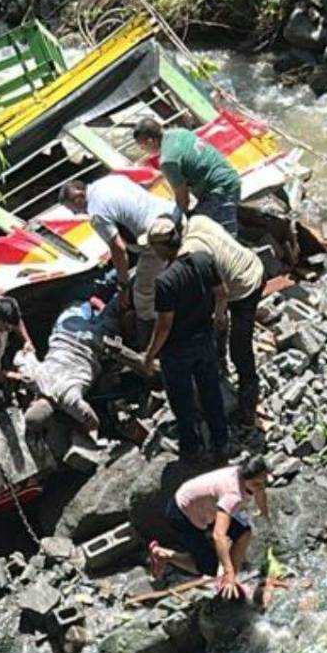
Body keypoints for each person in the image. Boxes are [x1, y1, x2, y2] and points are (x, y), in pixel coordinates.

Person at [144, 214, 265, 429]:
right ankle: (219, 363)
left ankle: (248, 409)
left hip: (245, 287)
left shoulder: (194, 256)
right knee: (217, 323)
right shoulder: (197, 220)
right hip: (249, 264)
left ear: (161, 248)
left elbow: (220, 293)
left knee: (240, 349)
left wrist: (219, 314)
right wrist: (219, 314)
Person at [59, 175, 180, 345]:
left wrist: (123, 288)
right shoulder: (110, 180)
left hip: (158, 238)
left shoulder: (96, 213)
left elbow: (118, 249)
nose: (75, 213)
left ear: (79, 198)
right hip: (173, 214)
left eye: (73, 209)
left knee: (142, 296)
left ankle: (152, 341)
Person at [142, 244, 229, 460]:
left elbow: (164, 325)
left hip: (177, 350)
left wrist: (150, 355)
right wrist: (219, 316)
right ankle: (221, 442)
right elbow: (222, 293)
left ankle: (191, 447)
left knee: (182, 401)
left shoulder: (165, 281)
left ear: (160, 249)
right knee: (211, 392)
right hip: (205, 339)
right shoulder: (203, 259)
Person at [150, 455, 269, 599]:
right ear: (244, 479)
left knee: (244, 533)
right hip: (182, 513)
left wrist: (264, 514)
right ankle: (164, 555)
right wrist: (228, 571)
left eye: (263, 482)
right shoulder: (233, 494)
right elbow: (219, 535)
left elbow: (260, 493)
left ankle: (231, 581)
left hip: (206, 507)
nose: (260, 486)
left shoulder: (247, 475)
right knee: (208, 567)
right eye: (256, 484)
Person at [18, 295, 122, 436]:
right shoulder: (34, 378)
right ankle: (94, 304)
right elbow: (20, 357)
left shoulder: (71, 401)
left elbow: (93, 423)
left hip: (94, 344)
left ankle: (107, 307)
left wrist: (76, 425)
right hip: (67, 332)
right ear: (33, 404)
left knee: (116, 313)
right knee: (77, 305)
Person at [133, 118, 241, 237]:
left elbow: (183, 200)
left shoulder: (167, 161)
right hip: (229, 176)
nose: (143, 150)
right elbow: (185, 161)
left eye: (142, 146)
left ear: (150, 141)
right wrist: (154, 181)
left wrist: (175, 221)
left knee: (218, 236)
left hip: (218, 190)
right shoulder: (180, 133)